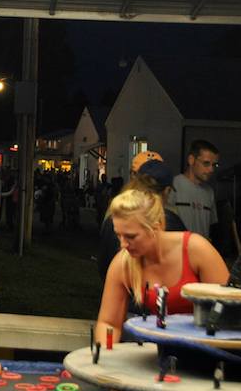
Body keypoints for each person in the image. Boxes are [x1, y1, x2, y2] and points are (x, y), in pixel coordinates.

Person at [95, 177, 229, 344]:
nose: (123, 245)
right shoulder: (123, 263)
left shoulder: (196, 250)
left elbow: (229, 313)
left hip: (202, 348)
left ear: (156, 226)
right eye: (118, 235)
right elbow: (109, 323)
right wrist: (107, 355)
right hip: (155, 348)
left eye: (131, 236)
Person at [167, 139, 219, 240]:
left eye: (214, 165)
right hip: (178, 251)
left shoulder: (209, 192)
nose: (211, 169)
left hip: (201, 252)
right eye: (206, 163)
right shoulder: (172, 186)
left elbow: (211, 227)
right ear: (191, 160)